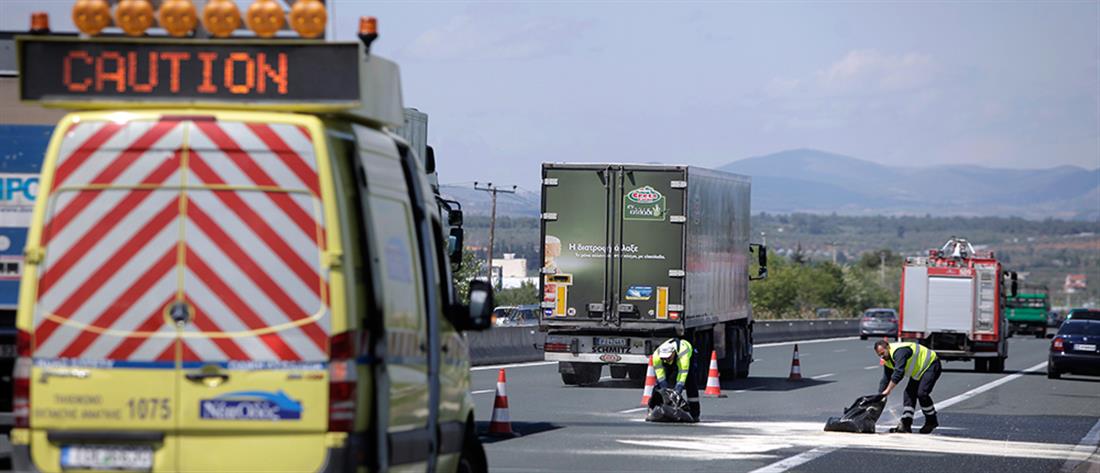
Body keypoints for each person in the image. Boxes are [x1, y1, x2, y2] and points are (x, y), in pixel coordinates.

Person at [875, 339, 942, 433]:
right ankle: (906, 424)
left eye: (883, 353)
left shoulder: (899, 352)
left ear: (888, 347)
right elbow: (885, 378)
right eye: (879, 355)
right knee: (908, 394)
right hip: (918, 371)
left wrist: (888, 390)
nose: (882, 357)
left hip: (930, 364)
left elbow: (899, 373)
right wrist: (880, 396)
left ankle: (931, 421)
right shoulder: (887, 360)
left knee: (922, 393)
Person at [650, 338, 700, 422]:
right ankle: (653, 408)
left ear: (673, 353)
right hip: (673, 360)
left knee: (690, 382)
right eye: (663, 358)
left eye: (668, 357)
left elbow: (682, 377)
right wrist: (665, 393)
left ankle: (694, 414)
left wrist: (676, 393)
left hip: (689, 358)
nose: (665, 360)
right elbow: (660, 376)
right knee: (658, 386)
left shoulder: (683, 355)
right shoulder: (656, 356)